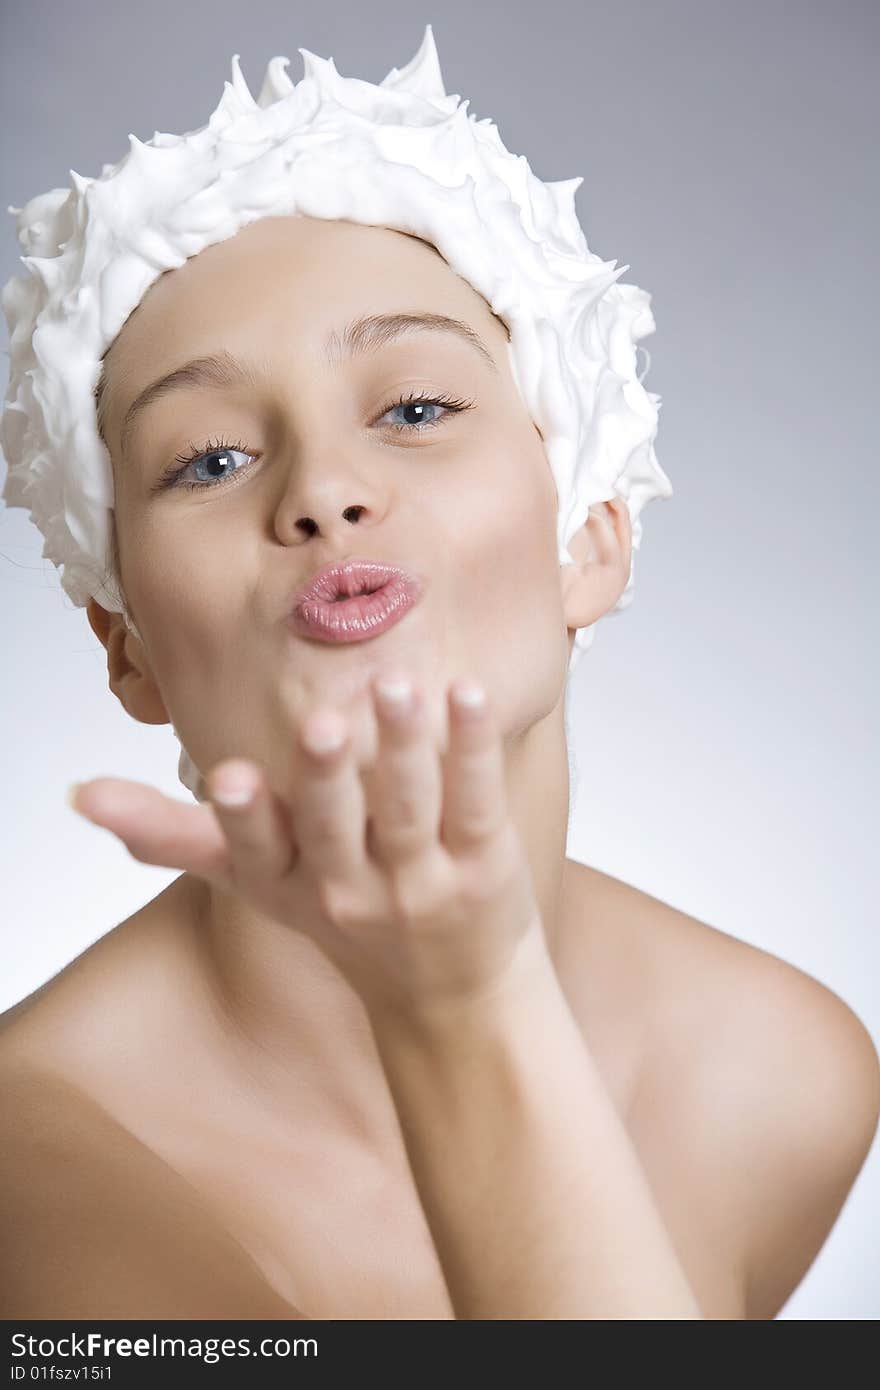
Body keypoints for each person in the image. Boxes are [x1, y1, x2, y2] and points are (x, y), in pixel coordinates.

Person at [2, 31, 878, 1323]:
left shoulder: (780, 1075)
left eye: (414, 407)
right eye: (209, 459)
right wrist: (462, 1008)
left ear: (590, 532)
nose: (325, 490)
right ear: (127, 646)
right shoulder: (36, 1171)